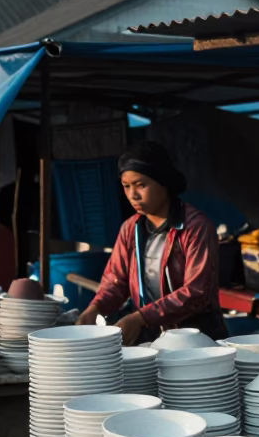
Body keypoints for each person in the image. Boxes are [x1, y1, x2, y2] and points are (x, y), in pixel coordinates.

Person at [77, 141, 227, 345]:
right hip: (150, 336)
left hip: (197, 337)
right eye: (126, 186)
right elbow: (116, 281)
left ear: (163, 182)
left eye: (141, 185)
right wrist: (95, 308)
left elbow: (196, 292)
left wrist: (141, 317)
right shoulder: (130, 229)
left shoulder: (195, 227)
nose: (133, 195)